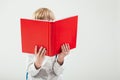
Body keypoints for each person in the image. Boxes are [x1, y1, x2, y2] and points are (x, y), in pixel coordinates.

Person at [26, 8, 70, 80]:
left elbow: (58, 72)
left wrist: (61, 58)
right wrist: (37, 63)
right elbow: (30, 72)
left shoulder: (58, 45)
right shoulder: (31, 46)